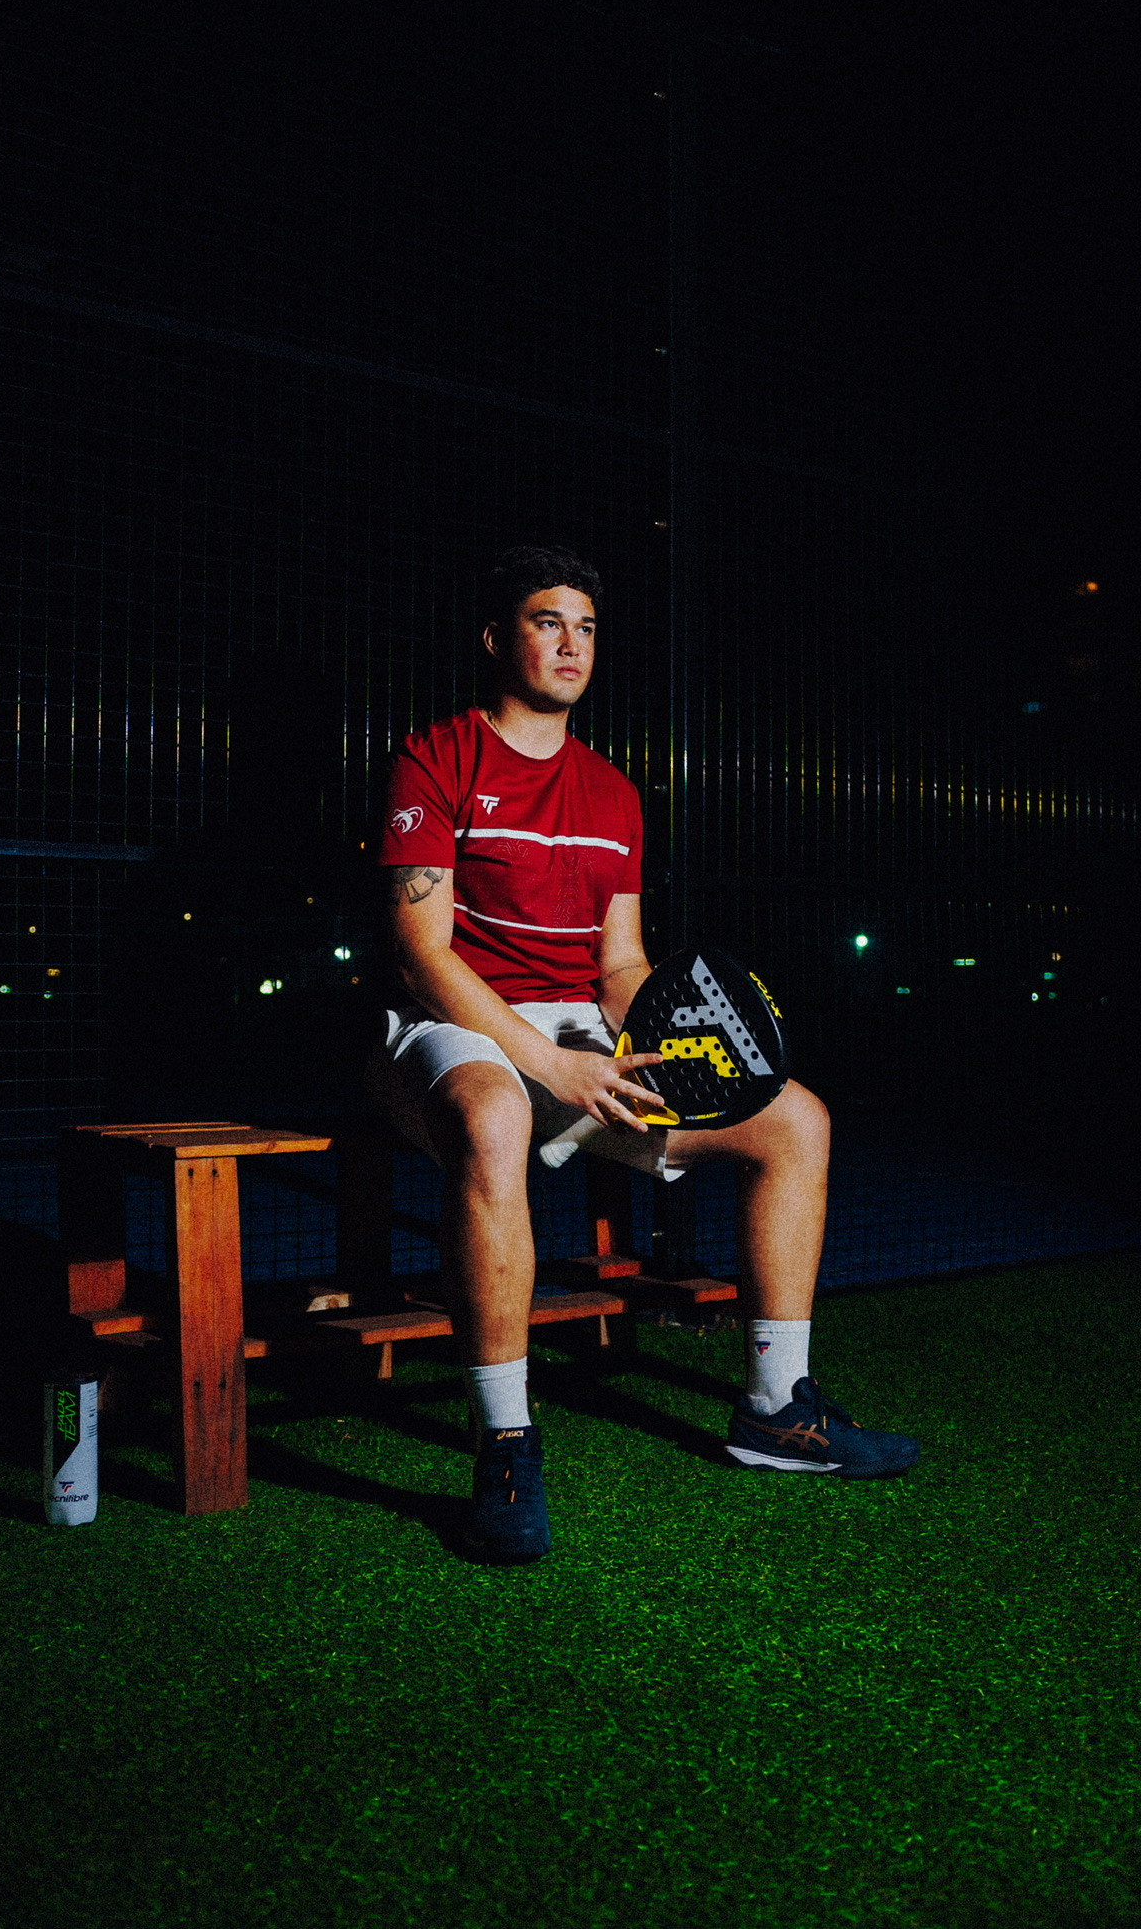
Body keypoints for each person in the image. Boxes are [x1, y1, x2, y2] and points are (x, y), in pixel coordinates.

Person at [371, 546, 918, 1561]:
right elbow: (421, 954)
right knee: (493, 1114)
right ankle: (504, 1442)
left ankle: (775, 1409)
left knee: (796, 1120)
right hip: (451, 1023)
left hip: (576, 1026)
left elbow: (618, 962)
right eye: (546, 621)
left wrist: (664, 1040)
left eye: (584, 627)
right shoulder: (434, 758)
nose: (570, 644)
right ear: (495, 638)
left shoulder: (613, 792)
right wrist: (550, 1065)